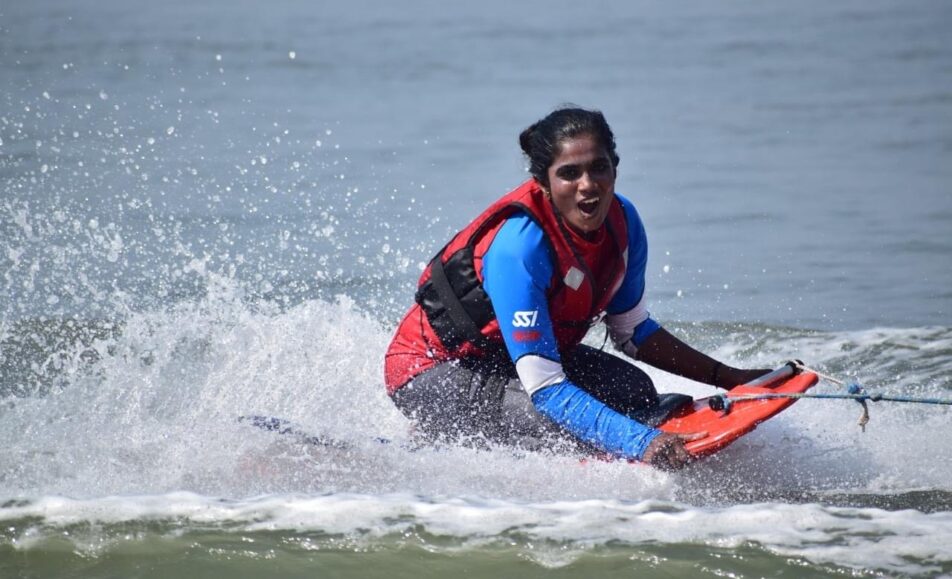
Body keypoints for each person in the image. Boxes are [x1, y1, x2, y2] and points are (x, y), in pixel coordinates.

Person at [384, 107, 769, 470]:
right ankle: (441, 435)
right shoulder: (519, 249)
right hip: (432, 372)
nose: (588, 186)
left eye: (598, 168)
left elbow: (634, 332)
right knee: (555, 425)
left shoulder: (624, 223)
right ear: (544, 184)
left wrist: (730, 377)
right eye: (569, 173)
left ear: (615, 170)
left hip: (510, 359)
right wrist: (642, 443)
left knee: (634, 389)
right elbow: (548, 387)